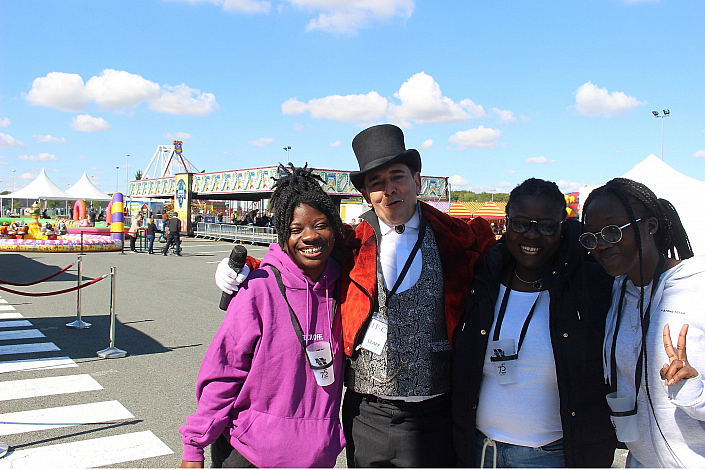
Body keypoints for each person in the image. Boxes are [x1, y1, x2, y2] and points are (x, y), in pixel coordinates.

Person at [216, 124, 495, 467]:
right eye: (376, 183)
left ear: (417, 181)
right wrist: (247, 268)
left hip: (435, 414)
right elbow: (298, 262)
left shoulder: (460, 241)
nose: (389, 190)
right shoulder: (349, 244)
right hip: (367, 415)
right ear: (365, 194)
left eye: (397, 177)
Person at [180, 164, 346, 468]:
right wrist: (194, 445)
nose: (310, 236)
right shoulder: (259, 289)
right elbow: (224, 371)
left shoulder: (346, 288)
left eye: (320, 225)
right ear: (283, 235)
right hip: (249, 453)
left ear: (334, 229)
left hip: (316, 457)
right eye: (296, 229)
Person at [453, 178, 617, 468]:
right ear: (506, 223)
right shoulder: (481, 280)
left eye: (546, 226)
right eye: (520, 224)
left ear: (562, 227)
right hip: (480, 453)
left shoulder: (589, 287)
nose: (531, 235)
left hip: (549, 457)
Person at [581, 178, 703, 468]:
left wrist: (693, 393)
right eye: (592, 237)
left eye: (612, 231)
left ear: (650, 226)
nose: (601, 245)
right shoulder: (617, 291)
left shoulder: (697, 289)